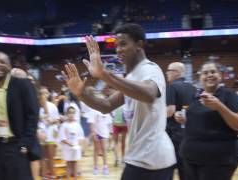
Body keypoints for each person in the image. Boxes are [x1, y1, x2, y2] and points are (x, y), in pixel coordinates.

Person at [62, 23, 176, 180]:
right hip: (141, 157)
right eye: (116, 46)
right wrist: (80, 93)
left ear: (139, 44)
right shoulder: (130, 77)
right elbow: (106, 105)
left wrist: (104, 74)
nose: (118, 50)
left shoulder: (150, 69)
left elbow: (149, 93)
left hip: (152, 159)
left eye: (123, 44)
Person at [0, 51, 41, 180]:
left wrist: (25, 144)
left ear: (9, 66)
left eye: (2, 62)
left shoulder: (22, 84)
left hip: (17, 145)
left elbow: (33, 115)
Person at [177, 61, 238, 180]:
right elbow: (199, 123)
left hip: (218, 161)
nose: (209, 75)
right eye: (205, 73)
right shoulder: (196, 96)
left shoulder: (228, 95)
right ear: (200, 78)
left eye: (213, 72)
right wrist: (183, 120)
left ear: (219, 75)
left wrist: (220, 107)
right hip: (190, 158)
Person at [165, 62, 196, 180]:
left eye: (169, 70)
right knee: (185, 170)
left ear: (177, 73)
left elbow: (170, 111)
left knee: (168, 169)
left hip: (173, 136)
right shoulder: (193, 88)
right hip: (189, 135)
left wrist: (155, 115)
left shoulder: (171, 87)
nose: (167, 73)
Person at [59, 106, 84, 180]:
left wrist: (79, 145)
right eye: (69, 113)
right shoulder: (64, 125)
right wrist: (69, 144)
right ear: (67, 114)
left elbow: (81, 136)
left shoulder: (77, 124)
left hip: (76, 148)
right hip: (67, 148)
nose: (71, 115)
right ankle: (68, 178)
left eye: (73, 113)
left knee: (75, 163)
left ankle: (75, 178)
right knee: (69, 163)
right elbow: (62, 138)